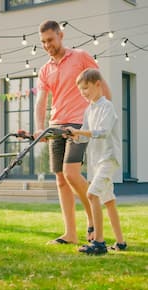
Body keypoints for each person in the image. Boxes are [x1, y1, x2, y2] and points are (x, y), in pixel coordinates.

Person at [34, 20, 112, 244]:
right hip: (56, 125)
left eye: (50, 39)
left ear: (61, 35)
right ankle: (70, 233)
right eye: (43, 42)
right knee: (60, 179)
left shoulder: (81, 57)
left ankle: (93, 220)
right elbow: (41, 101)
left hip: (79, 123)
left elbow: (101, 86)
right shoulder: (44, 70)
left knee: (71, 173)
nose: (47, 45)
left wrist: (106, 115)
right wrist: (40, 128)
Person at [66, 68, 126, 254]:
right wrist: (74, 136)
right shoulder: (89, 109)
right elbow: (85, 135)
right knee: (109, 201)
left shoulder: (106, 107)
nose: (83, 93)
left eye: (86, 88)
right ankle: (120, 242)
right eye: (81, 90)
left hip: (108, 159)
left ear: (98, 84)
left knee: (92, 194)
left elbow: (102, 132)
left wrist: (80, 132)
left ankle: (99, 243)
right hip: (96, 162)